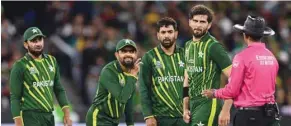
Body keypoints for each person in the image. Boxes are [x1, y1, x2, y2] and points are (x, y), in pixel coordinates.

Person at [202, 15, 280, 126]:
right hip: (270, 115)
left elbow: (232, 90)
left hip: (249, 117)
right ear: (262, 35)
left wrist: (214, 93)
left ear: (245, 35)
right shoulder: (272, 57)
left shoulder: (242, 57)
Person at [9, 27, 72, 126]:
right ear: (26, 44)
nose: (38, 44)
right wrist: (18, 122)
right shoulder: (20, 66)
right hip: (30, 117)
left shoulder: (52, 61)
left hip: (49, 116)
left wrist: (67, 114)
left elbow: (59, 89)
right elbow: (15, 97)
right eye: (34, 41)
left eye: (40, 39)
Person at [182, 5, 233, 126]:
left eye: (202, 22)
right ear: (190, 22)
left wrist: (226, 109)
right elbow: (186, 79)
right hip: (192, 105)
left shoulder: (213, 46)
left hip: (208, 104)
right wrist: (185, 108)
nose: (198, 25)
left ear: (209, 25)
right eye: (195, 21)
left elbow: (234, 78)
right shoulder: (188, 45)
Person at [139, 17, 188, 126]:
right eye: (163, 32)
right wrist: (148, 115)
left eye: (170, 32)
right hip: (160, 118)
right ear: (158, 35)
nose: (166, 35)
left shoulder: (187, 55)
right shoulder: (149, 57)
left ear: (176, 34)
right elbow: (143, 88)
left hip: (185, 117)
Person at [86, 39, 140, 126]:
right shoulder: (109, 71)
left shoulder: (132, 74)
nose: (128, 54)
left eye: (131, 51)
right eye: (124, 51)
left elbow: (129, 103)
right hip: (99, 118)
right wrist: (132, 77)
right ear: (116, 55)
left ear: (136, 55)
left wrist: (130, 124)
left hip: (114, 121)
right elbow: (122, 98)